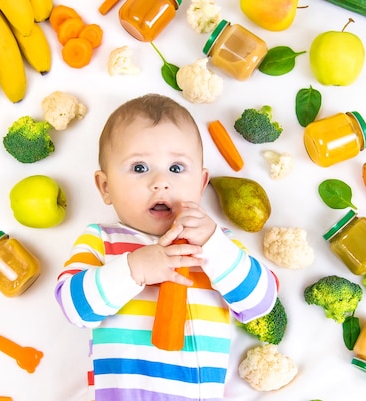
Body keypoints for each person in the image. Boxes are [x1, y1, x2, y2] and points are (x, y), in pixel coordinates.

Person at [54, 93, 278, 401]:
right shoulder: (103, 240)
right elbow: (73, 307)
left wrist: (213, 244)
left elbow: (260, 301)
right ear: (106, 188)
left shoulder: (216, 242)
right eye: (139, 168)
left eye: (176, 168)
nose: (160, 182)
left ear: (200, 185)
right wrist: (134, 269)